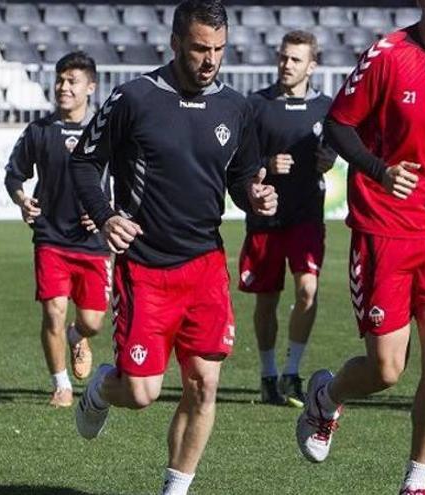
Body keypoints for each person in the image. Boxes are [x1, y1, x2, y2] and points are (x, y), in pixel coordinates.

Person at [294, 0, 425, 493]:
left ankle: (417, 481)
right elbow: (338, 125)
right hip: (384, 229)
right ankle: (326, 396)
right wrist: (378, 171)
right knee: (387, 369)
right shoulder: (387, 55)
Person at [69, 1, 277, 493]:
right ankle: (101, 388)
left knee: (204, 385)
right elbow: (83, 162)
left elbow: (243, 176)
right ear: (176, 43)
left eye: (219, 50)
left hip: (205, 264)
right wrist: (106, 216)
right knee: (140, 393)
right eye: (201, 49)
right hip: (145, 267)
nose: (211, 60)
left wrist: (256, 195)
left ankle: (175, 488)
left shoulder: (236, 107)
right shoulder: (134, 99)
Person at [4, 52, 110, 408]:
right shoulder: (39, 131)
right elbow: (14, 174)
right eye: (60, 80)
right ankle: (61, 384)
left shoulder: (106, 133)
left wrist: (105, 214)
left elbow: (124, 182)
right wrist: (21, 199)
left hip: (93, 242)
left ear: (90, 87)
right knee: (52, 311)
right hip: (50, 237)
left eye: (73, 81)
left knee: (93, 322)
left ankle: (78, 336)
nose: (64, 87)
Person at [238, 30, 336, 407]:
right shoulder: (257, 105)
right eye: (283, 57)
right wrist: (266, 163)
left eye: (296, 59)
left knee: (307, 290)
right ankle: (267, 376)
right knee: (266, 301)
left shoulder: (326, 108)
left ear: (312, 66)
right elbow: (239, 161)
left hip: (307, 215)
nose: (287, 64)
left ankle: (292, 372)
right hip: (265, 219)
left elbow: (334, 149)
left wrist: (331, 159)